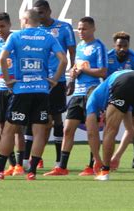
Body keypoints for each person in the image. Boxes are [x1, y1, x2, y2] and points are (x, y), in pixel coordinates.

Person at [0, 8, 67, 181]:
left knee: (8, 130)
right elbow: (63, 60)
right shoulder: (48, 36)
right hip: (42, 91)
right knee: (39, 132)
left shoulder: (16, 36)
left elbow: (2, 58)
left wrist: (7, 80)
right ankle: (32, 172)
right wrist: (55, 80)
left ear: (26, 20)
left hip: (21, 90)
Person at [44, 16, 107, 177]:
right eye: (79, 29)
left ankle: (93, 164)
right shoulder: (79, 47)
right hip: (77, 93)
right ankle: (62, 167)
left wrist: (84, 69)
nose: (81, 32)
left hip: (92, 92)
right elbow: (76, 67)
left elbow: (103, 71)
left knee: (91, 131)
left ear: (93, 29)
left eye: (84, 28)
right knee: (67, 129)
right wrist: (72, 76)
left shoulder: (98, 46)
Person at [86, 70, 134, 181]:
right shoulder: (107, 92)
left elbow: (91, 132)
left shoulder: (92, 100)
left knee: (110, 131)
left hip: (123, 82)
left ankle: (104, 172)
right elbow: (130, 130)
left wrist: (97, 159)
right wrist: (117, 156)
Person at [32, 0, 76, 170]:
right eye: (36, 13)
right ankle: (37, 157)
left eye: (41, 12)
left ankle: (59, 159)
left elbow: (72, 53)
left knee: (57, 117)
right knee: (37, 118)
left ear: (49, 11)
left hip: (58, 81)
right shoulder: (34, 30)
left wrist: (71, 78)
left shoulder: (63, 28)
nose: (38, 16)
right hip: (38, 81)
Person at [0, 12, 25, 176]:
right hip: (0, 88)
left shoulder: (17, 40)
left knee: (16, 127)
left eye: (2, 26)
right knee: (1, 126)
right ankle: (11, 164)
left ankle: (19, 164)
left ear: (10, 25)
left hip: (15, 88)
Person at [106, 31, 134, 170]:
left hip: (129, 98)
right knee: (110, 130)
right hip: (111, 98)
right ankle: (102, 161)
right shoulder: (108, 57)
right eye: (119, 46)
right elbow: (103, 77)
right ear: (114, 45)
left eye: (125, 46)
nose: (122, 49)